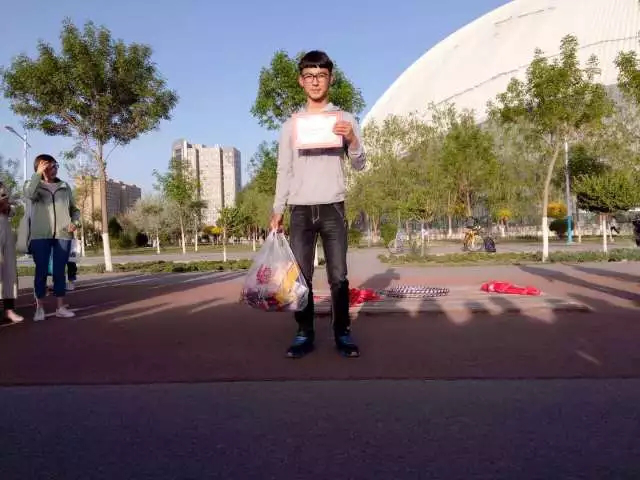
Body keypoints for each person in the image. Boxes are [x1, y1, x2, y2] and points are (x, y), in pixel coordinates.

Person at [270, 50, 367, 358]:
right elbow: (284, 169)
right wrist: (278, 209)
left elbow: (360, 164)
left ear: (330, 79)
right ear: (301, 81)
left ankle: (342, 333)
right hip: (299, 209)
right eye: (309, 76)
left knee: (338, 276)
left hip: (333, 206)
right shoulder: (291, 125)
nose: (315, 81)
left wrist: (352, 140)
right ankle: (304, 333)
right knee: (301, 278)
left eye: (321, 75)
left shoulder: (345, 120)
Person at [25, 154, 80, 321]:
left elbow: (74, 209)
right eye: (49, 166)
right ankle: (39, 308)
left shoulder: (64, 186)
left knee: (59, 272)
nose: (54, 169)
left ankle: (60, 307)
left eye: (55, 165)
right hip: (40, 235)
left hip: (63, 234)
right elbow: (29, 194)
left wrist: (75, 222)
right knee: (41, 271)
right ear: (40, 168)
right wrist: (38, 175)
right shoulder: (33, 185)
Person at [0, 181, 23, 323]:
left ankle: (9, 310)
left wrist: (7, 206)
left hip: (5, 229)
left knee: (9, 270)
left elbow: (13, 209)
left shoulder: (3, 186)